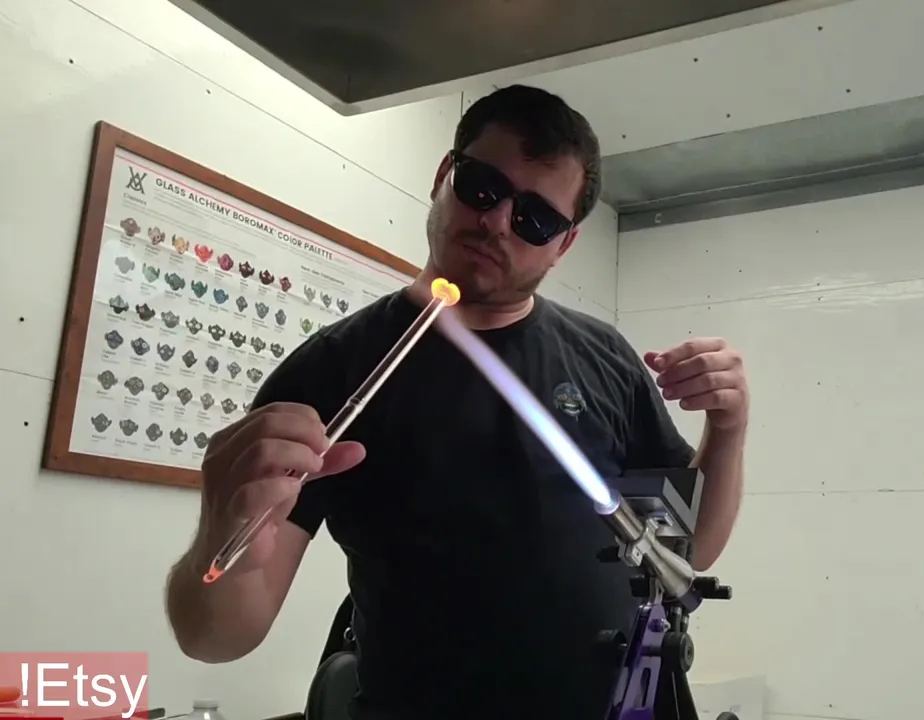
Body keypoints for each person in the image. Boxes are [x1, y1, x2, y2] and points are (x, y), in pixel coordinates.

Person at [163, 84, 749, 720]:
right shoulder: (331, 371)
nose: (497, 222)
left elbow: (688, 551)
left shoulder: (603, 355)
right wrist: (221, 531)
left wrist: (729, 425)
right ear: (445, 174)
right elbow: (214, 639)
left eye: (535, 219)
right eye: (482, 187)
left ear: (563, 245)